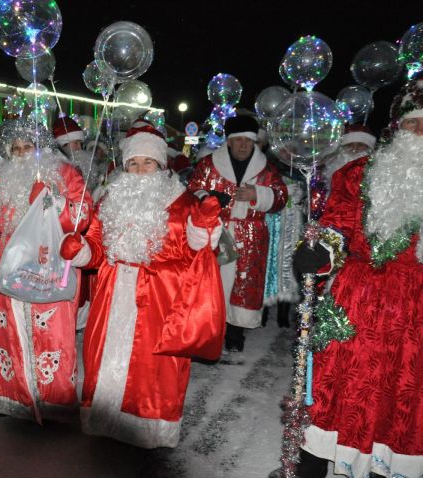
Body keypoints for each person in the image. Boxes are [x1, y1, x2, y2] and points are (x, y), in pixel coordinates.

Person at [59, 121, 225, 448]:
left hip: (159, 300)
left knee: (154, 369)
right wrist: (81, 251)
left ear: (161, 165)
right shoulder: (110, 200)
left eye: (147, 162)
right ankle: (105, 424)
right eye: (133, 163)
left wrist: (205, 230)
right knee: (101, 359)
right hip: (111, 296)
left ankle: (151, 430)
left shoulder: (183, 203)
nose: (139, 170)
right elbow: (96, 246)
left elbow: (198, 252)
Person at [291, 78, 423, 478]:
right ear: (398, 127)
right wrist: (320, 251)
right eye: (413, 124)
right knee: (333, 390)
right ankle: (311, 466)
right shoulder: (359, 174)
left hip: (414, 309)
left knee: (401, 395)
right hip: (356, 300)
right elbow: (337, 225)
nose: (419, 133)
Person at [0, 117, 92, 422]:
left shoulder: (65, 174)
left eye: (29, 147)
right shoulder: (4, 178)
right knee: (10, 331)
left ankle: (55, 401)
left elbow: (83, 216)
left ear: (42, 148)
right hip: (10, 268)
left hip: (51, 267)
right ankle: (11, 396)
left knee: (53, 335)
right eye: (16, 148)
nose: (22, 153)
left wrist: (55, 203)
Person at [188, 115, 288, 352]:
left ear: (254, 142)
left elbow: (281, 197)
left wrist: (258, 195)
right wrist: (208, 199)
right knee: (212, 284)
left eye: (248, 141)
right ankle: (210, 331)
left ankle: (236, 334)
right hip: (216, 233)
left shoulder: (267, 169)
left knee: (243, 284)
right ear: (229, 142)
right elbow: (193, 189)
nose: (243, 145)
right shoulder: (209, 164)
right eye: (239, 140)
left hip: (251, 235)